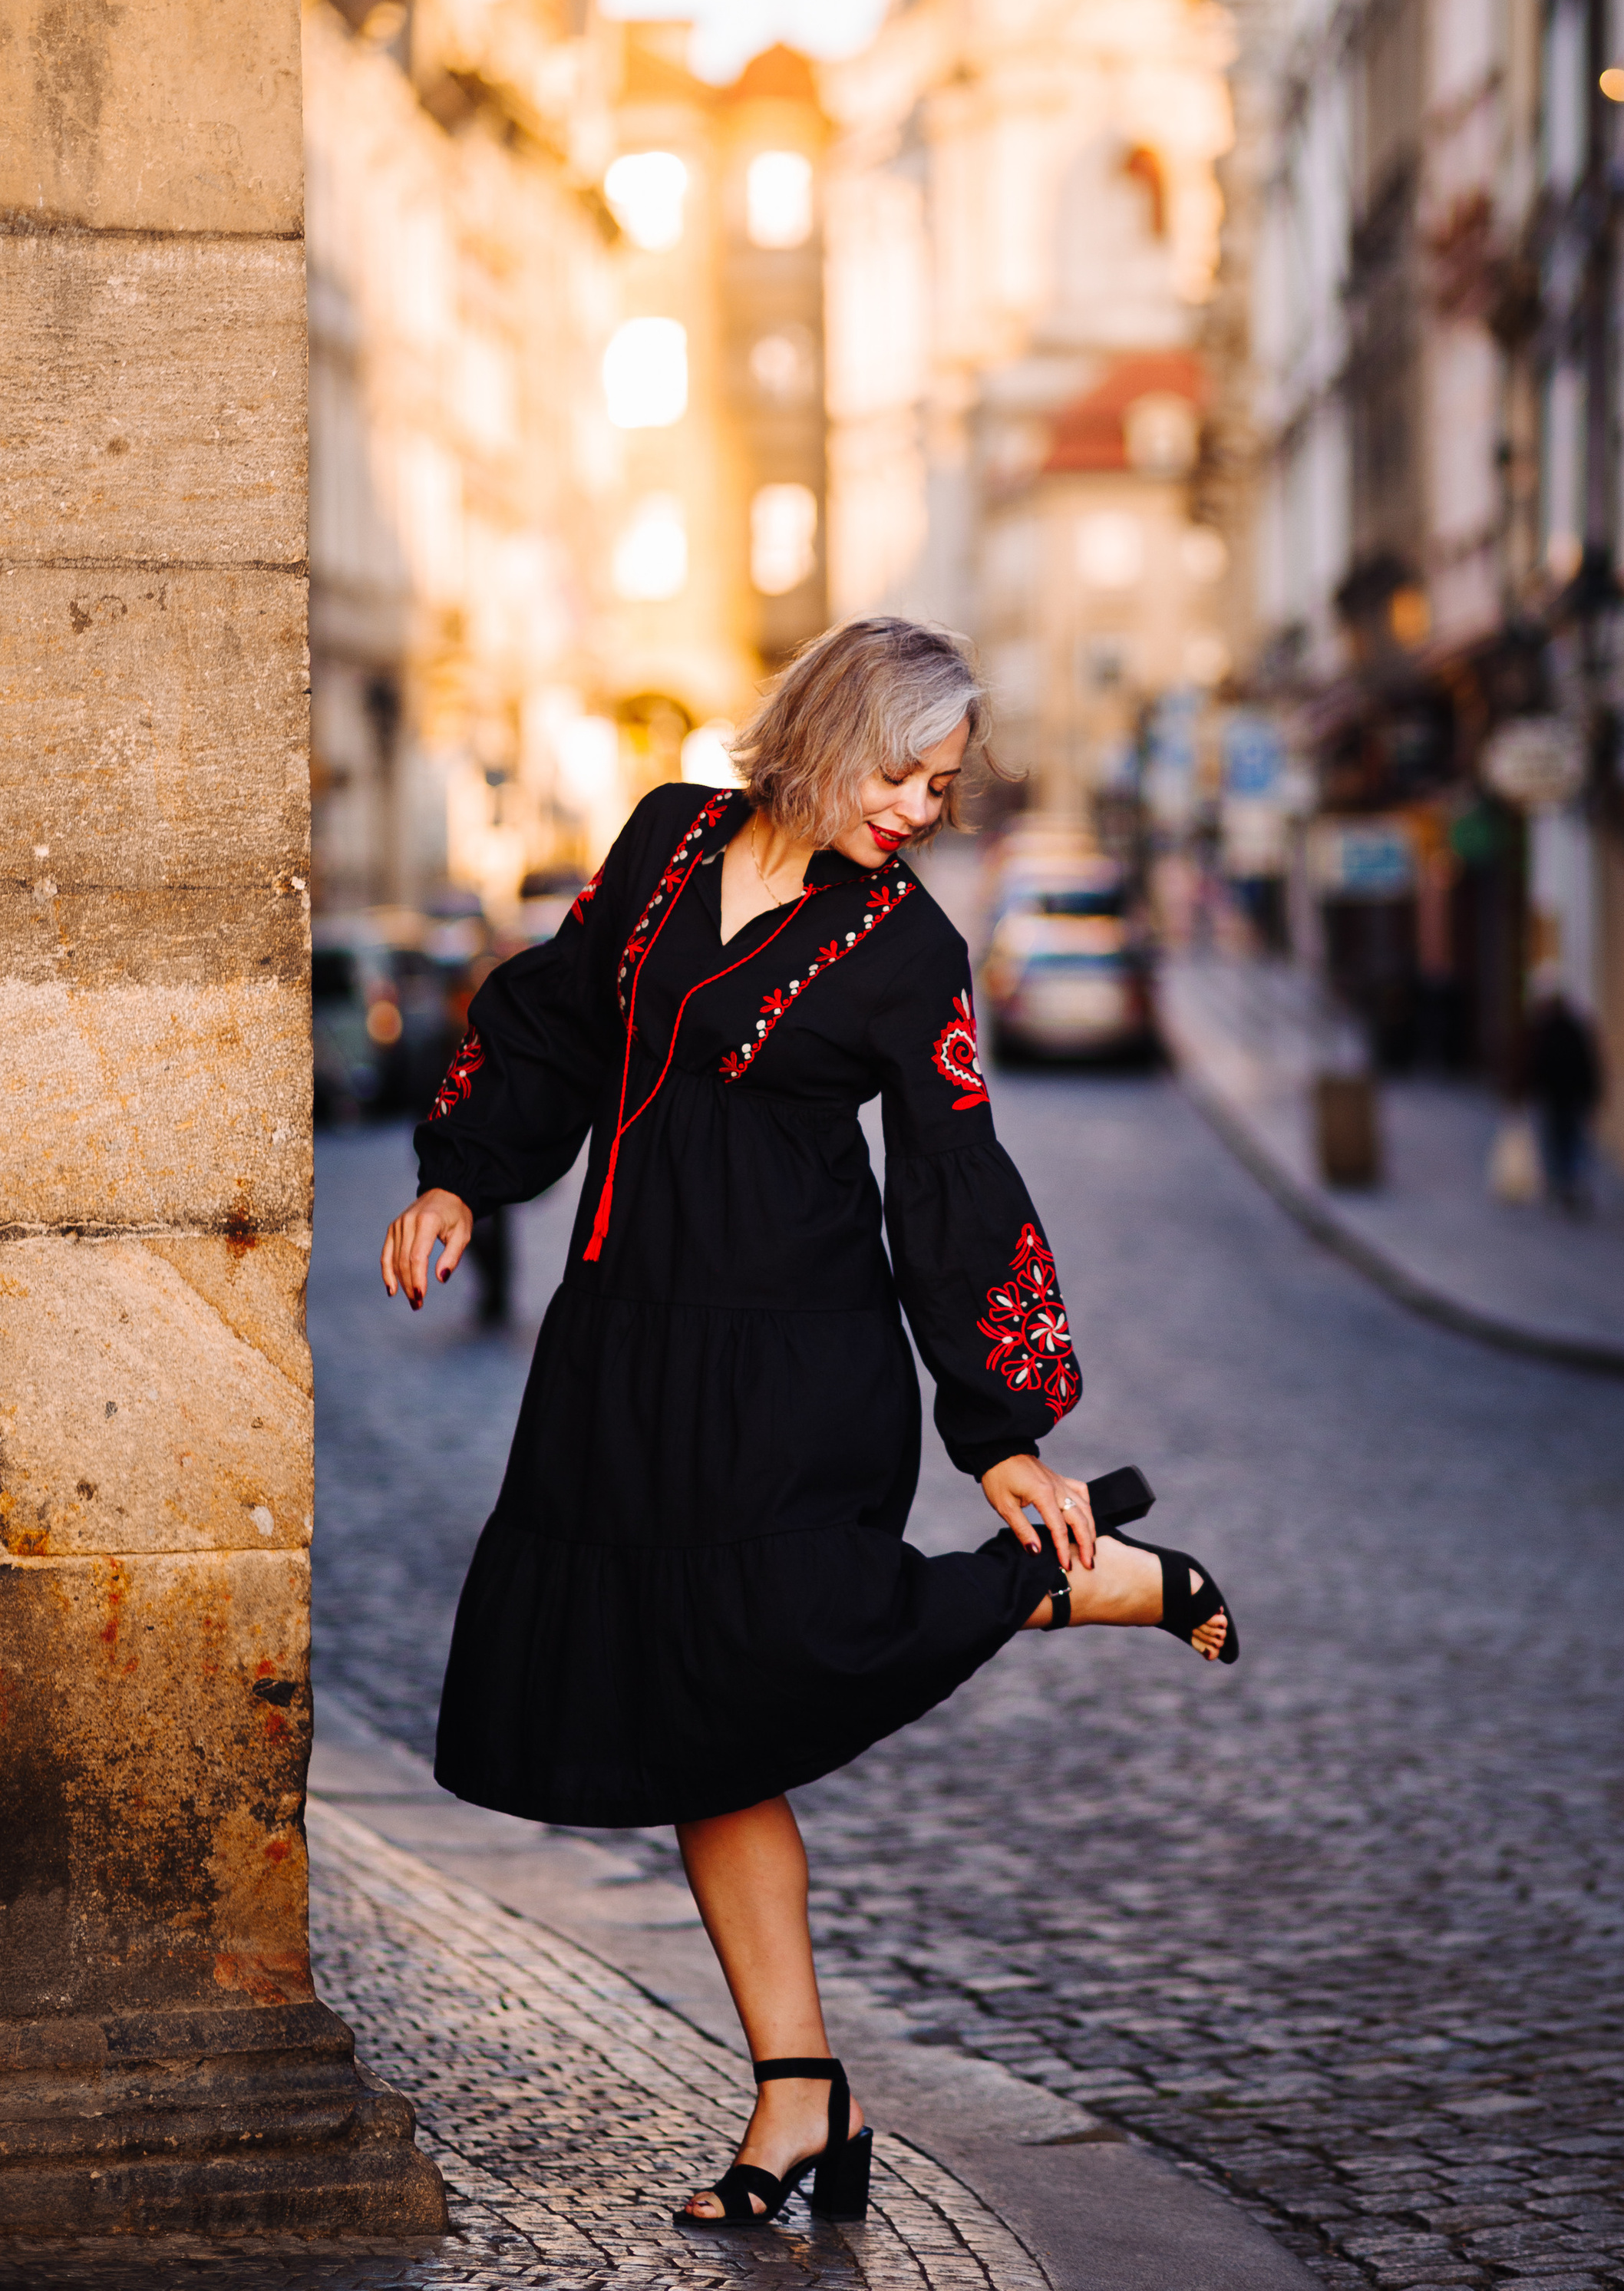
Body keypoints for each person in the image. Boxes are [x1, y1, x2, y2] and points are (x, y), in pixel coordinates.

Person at [379, 617, 1236, 2233]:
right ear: (830, 732)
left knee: (781, 1640)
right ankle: (799, 2095)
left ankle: (1076, 1580)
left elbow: (952, 1178)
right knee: (699, 1717)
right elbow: (559, 1018)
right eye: (904, 774)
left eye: (943, 787)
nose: (920, 810)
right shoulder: (665, 836)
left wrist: (998, 1431)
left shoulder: (910, 951)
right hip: (622, 1338)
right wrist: (459, 1179)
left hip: (795, 1357)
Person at [1520, 985, 1605, 1214]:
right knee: (1573, 1142)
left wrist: (1529, 1091)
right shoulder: (1575, 1031)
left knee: (1555, 1142)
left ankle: (1559, 1185)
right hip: (1573, 1097)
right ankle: (1573, 1183)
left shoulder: (1544, 1032)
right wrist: (1592, 1094)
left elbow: (1534, 1066)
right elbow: (1589, 1065)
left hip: (1553, 1097)